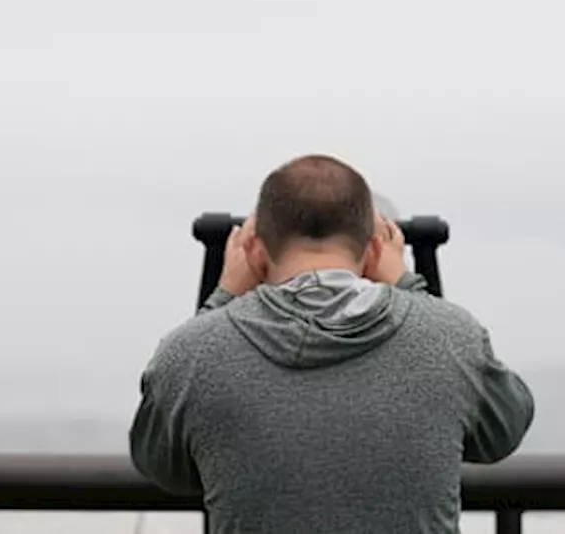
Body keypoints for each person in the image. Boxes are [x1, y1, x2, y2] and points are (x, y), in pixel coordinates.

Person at [129, 154, 535, 534]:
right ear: (376, 247)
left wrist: (222, 299)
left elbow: (161, 463)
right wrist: (410, 287)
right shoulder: (451, 337)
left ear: (253, 248)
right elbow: (502, 432)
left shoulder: (193, 352)